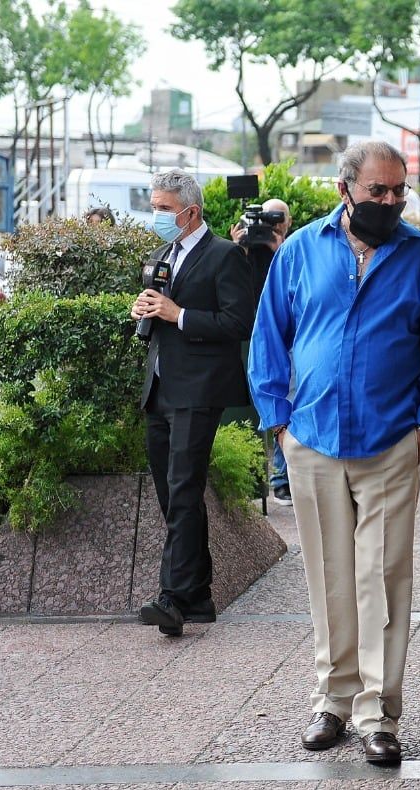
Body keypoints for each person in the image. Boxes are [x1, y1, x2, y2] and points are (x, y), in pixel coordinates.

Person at [248, 141, 420, 765]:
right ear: (347, 188)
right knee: (329, 577)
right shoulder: (299, 252)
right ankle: (333, 701)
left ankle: (378, 712)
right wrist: (279, 425)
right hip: (311, 439)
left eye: (399, 191)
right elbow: (269, 338)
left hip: (391, 442)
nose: (391, 202)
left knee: (385, 578)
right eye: (379, 191)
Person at [132, 169, 256, 637]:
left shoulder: (225, 255)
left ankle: (171, 598)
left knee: (184, 488)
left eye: (164, 208)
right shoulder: (160, 254)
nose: (157, 216)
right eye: (155, 207)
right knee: (171, 494)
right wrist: (143, 311)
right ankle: (198, 595)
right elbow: (157, 312)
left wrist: (179, 314)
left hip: (200, 389)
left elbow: (238, 322)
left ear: (191, 211)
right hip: (159, 387)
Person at [231, 198, 295, 505]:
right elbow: (233, 283)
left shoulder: (292, 247)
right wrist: (238, 247)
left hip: (286, 335)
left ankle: (283, 478)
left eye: (278, 218)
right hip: (249, 333)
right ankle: (258, 477)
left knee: (286, 401)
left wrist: (278, 247)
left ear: (288, 222)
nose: (273, 224)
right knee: (257, 402)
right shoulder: (243, 247)